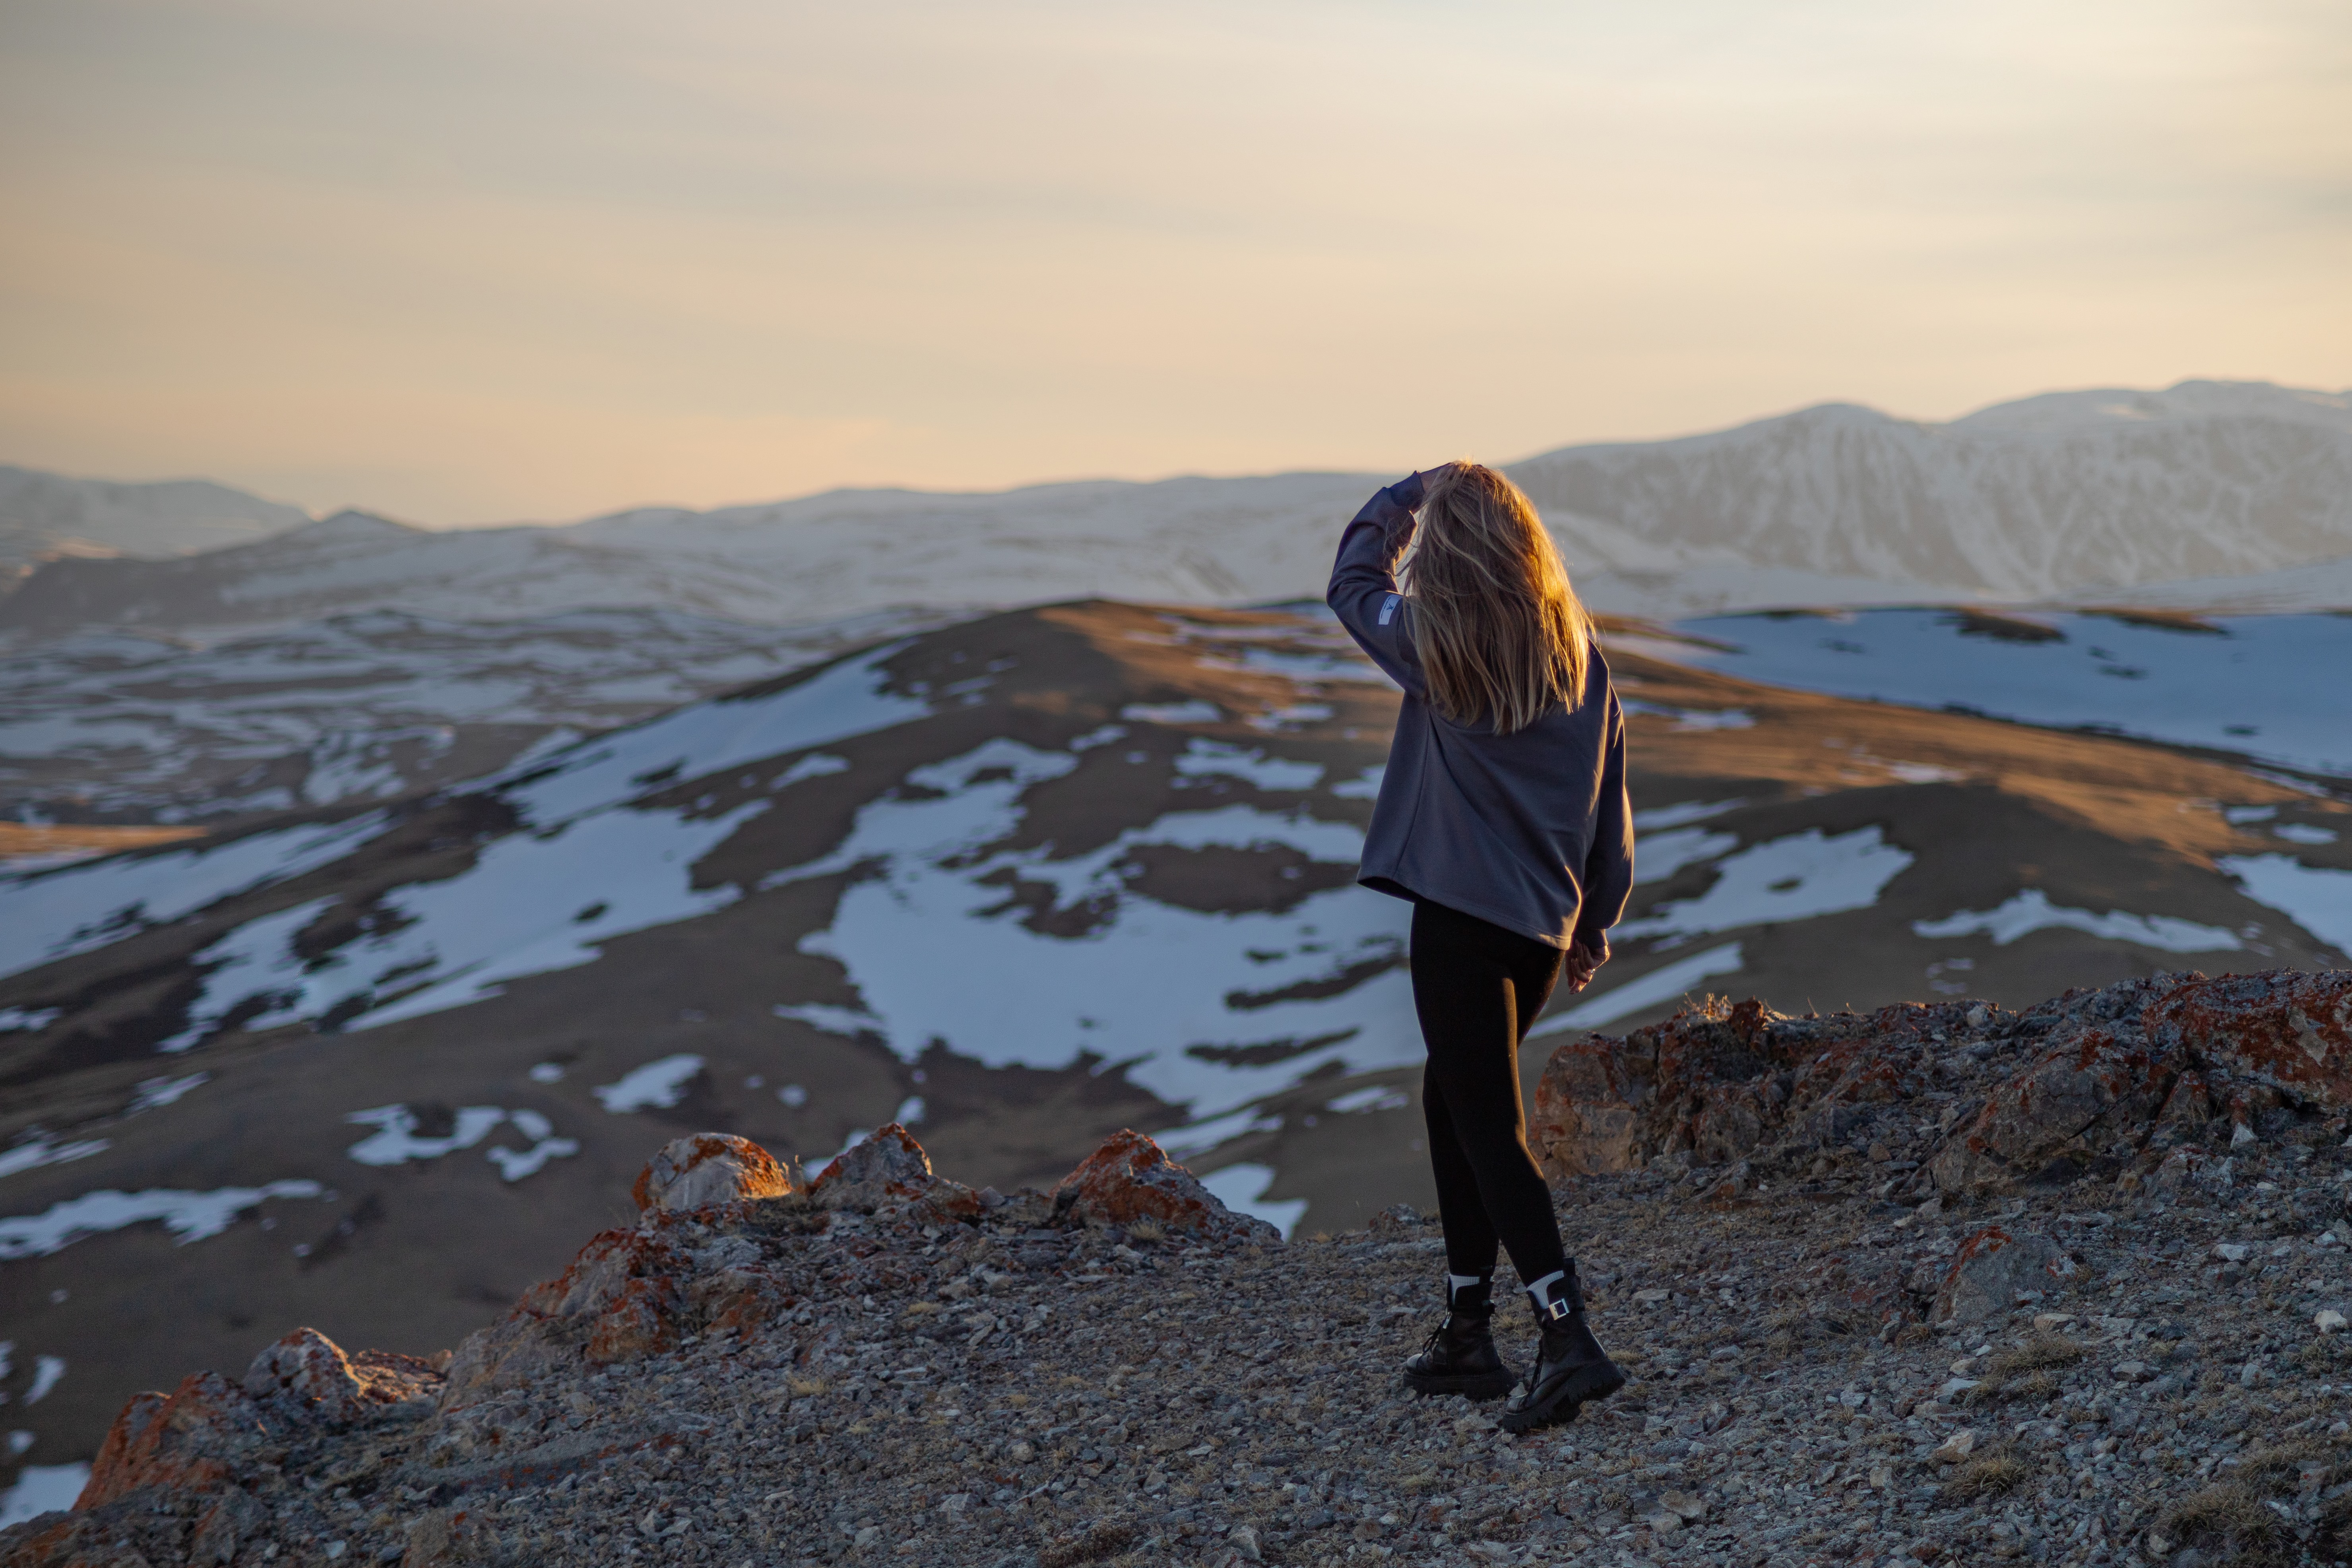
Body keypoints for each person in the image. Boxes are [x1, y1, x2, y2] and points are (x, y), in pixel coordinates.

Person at [1326, 461, 1633, 1433]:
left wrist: (1403, 497)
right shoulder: (1579, 656)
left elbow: (1352, 585)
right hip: (1537, 932)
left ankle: (1566, 1333)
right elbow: (1610, 806)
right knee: (1452, 1102)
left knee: (1489, 1125)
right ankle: (1466, 1330)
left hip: (1459, 921)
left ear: (1449, 552)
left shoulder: (1438, 643)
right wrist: (1593, 922)